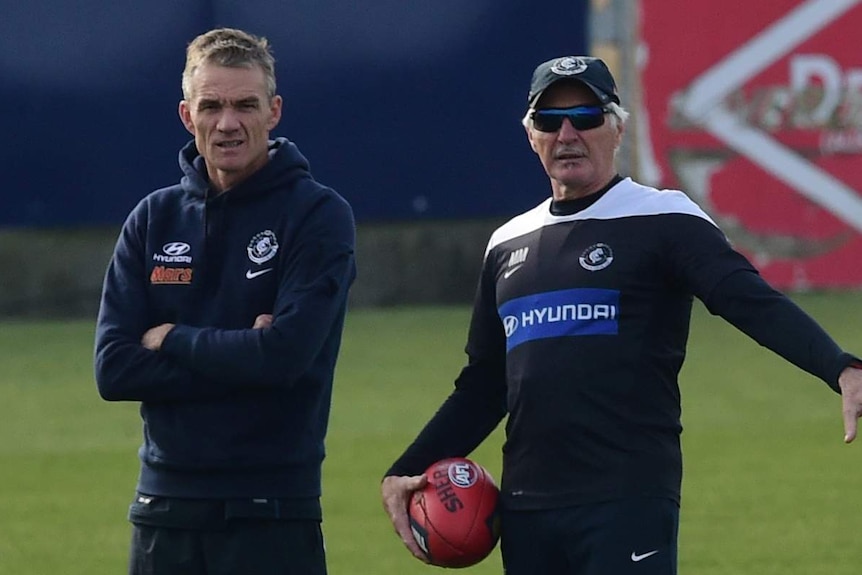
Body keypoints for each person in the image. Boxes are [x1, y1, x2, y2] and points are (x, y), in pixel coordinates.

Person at [381, 55, 862, 575]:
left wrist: (839, 366)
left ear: (618, 128)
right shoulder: (506, 244)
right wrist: (405, 470)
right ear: (530, 135)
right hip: (528, 512)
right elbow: (484, 386)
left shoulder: (662, 217)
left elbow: (746, 298)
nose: (568, 133)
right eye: (550, 120)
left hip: (627, 502)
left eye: (586, 116)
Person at [94, 27, 356, 575]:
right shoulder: (152, 218)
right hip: (162, 511)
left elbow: (285, 357)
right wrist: (246, 351)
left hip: (272, 510)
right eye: (211, 106)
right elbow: (114, 369)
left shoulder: (317, 215)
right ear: (187, 116)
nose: (228, 122)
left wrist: (173, 339)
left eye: (245, 105)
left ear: (274, 111)